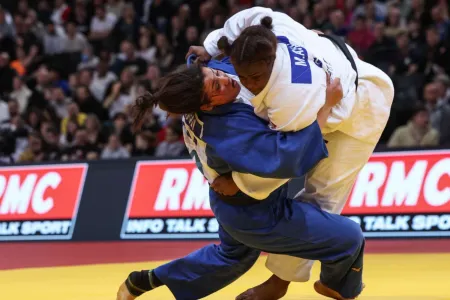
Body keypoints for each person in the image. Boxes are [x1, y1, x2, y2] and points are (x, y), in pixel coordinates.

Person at [186, 7, 394, 300]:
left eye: (256, 77)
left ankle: (283, 283)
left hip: (361, 104)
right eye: (241, 73)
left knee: (324, 196)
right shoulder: (263, 26)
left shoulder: (291, 97)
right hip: (335, 61)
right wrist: (209, 47)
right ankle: (288, 281)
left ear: (271, 62)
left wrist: (240, 184)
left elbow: (286, 161)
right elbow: (238, 25)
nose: (246, 83)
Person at [116, 58, 364, 300]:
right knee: (349, 239)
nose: (225, 80)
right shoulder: (228, 128)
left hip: (227, 201)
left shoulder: (203, 79)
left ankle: (146, 280)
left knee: (231, 258)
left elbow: (210, 55)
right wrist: (328, 106)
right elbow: (290, 158)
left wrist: (208, 49)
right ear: (206, 106)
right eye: (216, 86)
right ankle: (340, 287)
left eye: (216, 75)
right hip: (255, 214)